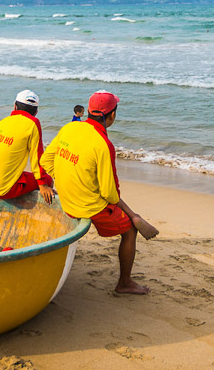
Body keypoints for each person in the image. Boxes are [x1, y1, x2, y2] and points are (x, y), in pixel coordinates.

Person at [41, 91, 158, 295]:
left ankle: (132, 216)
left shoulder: (70, 127)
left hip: (65, 196)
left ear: (88, 111)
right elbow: (109, 193)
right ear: (112, 115)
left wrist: (67, 178)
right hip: (86, 205)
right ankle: (124, 283)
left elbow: (45, 161)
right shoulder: (104, 144)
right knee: (130, 230)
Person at [0, 90, 53, 203]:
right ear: (36, 112)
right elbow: (37, 157)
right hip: (2, 190)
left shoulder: (1, 123)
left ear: (15, 106)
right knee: (48, 180)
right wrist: (43, 185)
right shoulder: (33, 123)